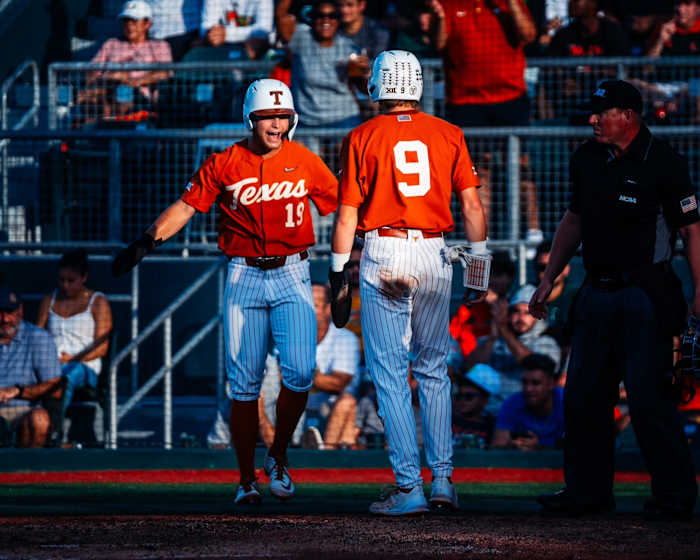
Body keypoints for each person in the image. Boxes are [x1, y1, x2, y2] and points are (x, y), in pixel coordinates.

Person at [112, 78, 338, 505]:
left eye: (283, 116)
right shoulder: (225, 161)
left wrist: (350, 262)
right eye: (268, 116)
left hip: (294, 271)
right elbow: (186, 205)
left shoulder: (306, 160)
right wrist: (146, 240)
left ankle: (280, 454)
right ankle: (245, 479)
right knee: (244, 383)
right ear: (250, 119)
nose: (276, 124)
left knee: (301, 373)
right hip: (244, 274)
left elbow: (342, 205)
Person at [530, 79, 700, 520]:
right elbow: (574, 219)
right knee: (584, 398)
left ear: (628, 115)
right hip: (595, 291)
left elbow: (692, 230)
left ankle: (675, 498)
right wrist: (549, 277)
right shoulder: (586, 157)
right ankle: (586, 495)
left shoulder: (665, 162)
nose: (592, 119)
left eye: (600, 112)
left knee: (649, 401)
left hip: (647, 293)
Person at [330, 50, 488, 515]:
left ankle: (407, 486)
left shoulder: (361, 135)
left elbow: (347, 214)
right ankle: (442, 481)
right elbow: (473, 209)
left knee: (390, 373)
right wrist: (477, 269)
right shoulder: (449, 132)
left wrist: (339, 269)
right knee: (435, 369)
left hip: (385, 249)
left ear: (379, 84)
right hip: (437, 250)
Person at [430, 0, 542, 245]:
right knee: (480, 172)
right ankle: (483, 237)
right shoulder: (448, 5)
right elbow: (438, 43)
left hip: (510, 97)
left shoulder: (509, 4)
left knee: (521, 163)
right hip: (467, 100)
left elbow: (529, 35)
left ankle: (534, 233)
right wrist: (438, 17)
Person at [275, 0, 364, 154]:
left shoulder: (349, 47)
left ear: (338, 20)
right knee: (305, 161)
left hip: (343, 118)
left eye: (332, 16)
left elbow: (362, 87)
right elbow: (280, 16)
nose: (326, 20)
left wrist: (363, 71)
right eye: (320, 16)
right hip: (308, 121)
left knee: (350, 153)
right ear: (312, 18)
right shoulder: (301, 38)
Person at [36, 249, 113, 427]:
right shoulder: (49, 300)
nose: (65, 286)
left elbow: (102, 347)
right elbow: (37, 335)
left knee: (68, 375)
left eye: (71, 281)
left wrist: (72, 359)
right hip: (51, 363)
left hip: (85, 365)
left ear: (84, 277)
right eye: (61, 280)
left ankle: (53, 429)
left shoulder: (98, 302)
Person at [463, 283, 561, 411]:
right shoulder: (494, 340)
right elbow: (470, 368)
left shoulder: (547, 343)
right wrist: (493, 336)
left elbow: (532, 363)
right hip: (489, 411)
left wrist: (503, 329)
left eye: (527, 313)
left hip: (526, 412)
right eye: (515, 311)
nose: (520, 318)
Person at [80, 0, 173, 123]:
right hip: (108, 90)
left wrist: (133, 81)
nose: (129, 25)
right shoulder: (111, 44)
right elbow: (92, 71)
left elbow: (166, 73)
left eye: (134, 21)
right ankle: (91, 137)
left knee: (123, 93)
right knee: (88, 99)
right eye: (125, 21)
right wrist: (109, 77)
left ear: (147, 24)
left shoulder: (159, 46)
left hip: (141, 97)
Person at [0, 286, 63, 448]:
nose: (4, 319)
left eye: (9, 312)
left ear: (19, 311)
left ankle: (31, 471)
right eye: (0, 312)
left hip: (23, 409)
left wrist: (17, 391)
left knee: (40, 419)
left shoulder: (39, 338)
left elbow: (56, 388)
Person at [303, 282, 361, 450]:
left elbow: (338, 384)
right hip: (295, 407)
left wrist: (301, 374)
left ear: (329, 309)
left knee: (346, 402)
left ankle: (323, 454)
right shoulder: (288, 337)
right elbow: (279, 380)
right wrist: (318, 378)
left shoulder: (345, 338)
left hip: (330, 410)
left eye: (314, 305)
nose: (307, 310)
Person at [490, 353, 564, 450]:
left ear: (551, 384)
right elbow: (497, 444)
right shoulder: (512, 402)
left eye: (536, 383)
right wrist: (511, 445)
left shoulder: (566, 401)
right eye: (525, 382)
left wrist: (540, 447)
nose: (528, 389)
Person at [200, 0, 274, 57]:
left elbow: (264, 29)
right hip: (224, 48)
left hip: (258, 51)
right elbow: (207, 29)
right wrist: (214, 35)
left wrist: (227, 34)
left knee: (256, 44)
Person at [451, 364, 501, 450]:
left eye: (469, 397)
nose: (462, 401)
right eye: (458, 396)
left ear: (485, 400)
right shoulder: (447, 420)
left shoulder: (493, 427)